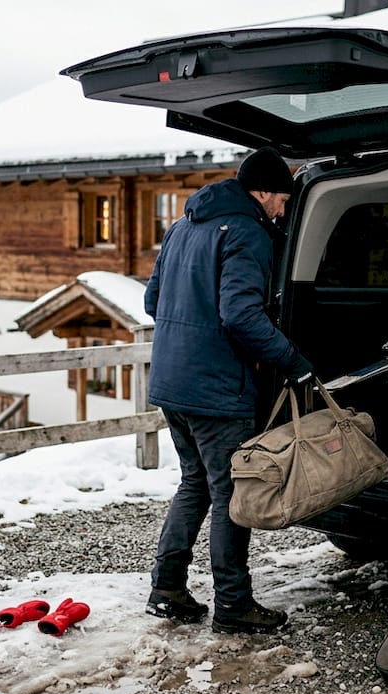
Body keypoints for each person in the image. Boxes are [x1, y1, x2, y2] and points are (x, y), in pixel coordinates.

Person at [142, 146, 313, 634]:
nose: (282, 210)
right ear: (262, 192)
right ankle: (235, 606)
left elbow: (153, 298)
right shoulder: (247, 232)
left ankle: (166, 589)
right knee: (231, 494)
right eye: (281, 199)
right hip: (217, 389)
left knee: (195, 484)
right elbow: (240, 314)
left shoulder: (182, 227)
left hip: (172, 382)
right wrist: (292, 360)